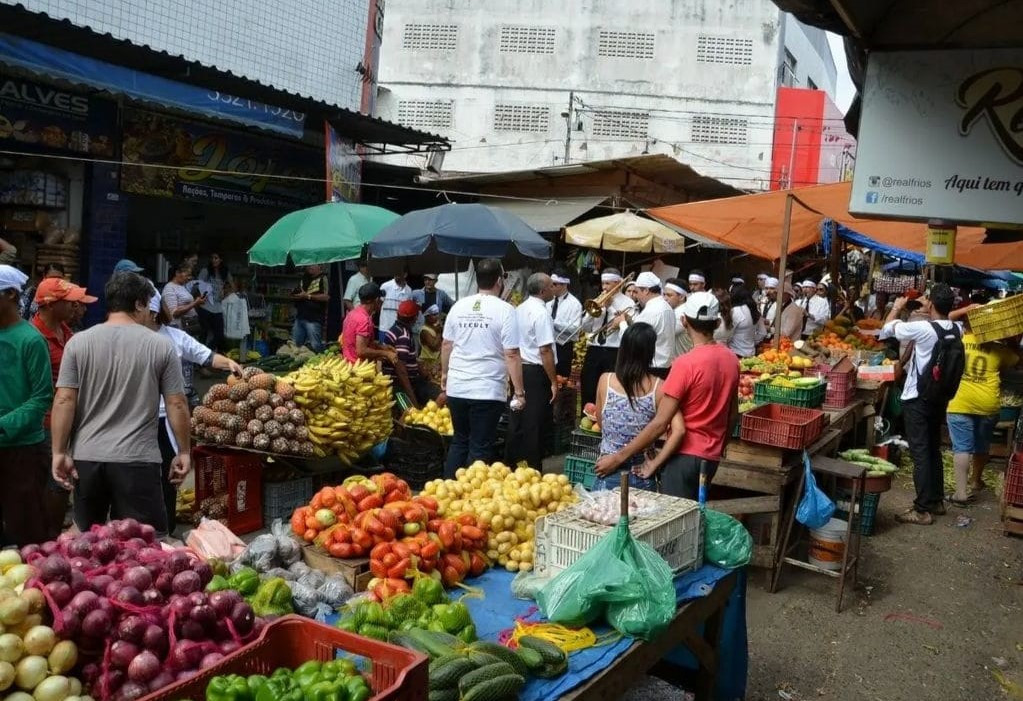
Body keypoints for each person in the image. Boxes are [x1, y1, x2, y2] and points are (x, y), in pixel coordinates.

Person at [51, 272, 191, 535]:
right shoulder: (160, 346)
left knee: (85, 540)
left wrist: (59, 452)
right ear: (139, 303)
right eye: (149, 305)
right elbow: (177, 404)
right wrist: (184, 451)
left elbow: (65, 399)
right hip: (137, 459)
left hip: (87, 458)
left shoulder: (78, 344)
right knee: (143, 543)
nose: (151, 312)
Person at [595, 292, 740, 499]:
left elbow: (661, 423)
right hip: (711, 456)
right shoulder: (732, 359)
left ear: (683, 321)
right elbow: (733, 415)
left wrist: (627, 459)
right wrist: (719, 447)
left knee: (674, 524)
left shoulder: (684, 364)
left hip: (683, 456)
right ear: (717, 323)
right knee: (693, 514)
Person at [145, 293, 241, 535]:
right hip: (136, 417)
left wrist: (229, 363)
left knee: (167, 475)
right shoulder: (128, 338)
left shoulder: (173, 336)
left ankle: (164, 529)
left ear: (151, 311)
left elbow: (205, 356)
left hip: (165, 417)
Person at [880, 284, 960, 525]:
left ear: (932, 304)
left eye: (927, 299)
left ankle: (922, 509)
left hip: (917, 398)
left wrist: (896, 307)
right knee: (933, 448)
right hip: (939, 398)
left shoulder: (923, 330)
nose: (924, 301)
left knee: (920, 452)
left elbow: (886, 329)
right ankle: (936, 501)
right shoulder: (957, 329)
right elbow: (944, 321)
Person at [441, 258, 524, 475]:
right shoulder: (506, 310)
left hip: (457, 387)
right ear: (499, 281)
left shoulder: (459, 306)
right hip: (486, 390)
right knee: (479, 447)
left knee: (459, 442)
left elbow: (447, 344)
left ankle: (447, 491)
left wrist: (444, 374)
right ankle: (468, 500)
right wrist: (520, 392)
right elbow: (512, 354)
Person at [32, 277, 99, 536]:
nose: (77, 307)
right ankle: (46, 537)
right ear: (50, 304)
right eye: (70, 302)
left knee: (62, 484)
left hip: (69, 420)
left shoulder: (67, 332)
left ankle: (53, 536)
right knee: (54, 483)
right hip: (46, 422)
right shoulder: (34, 337)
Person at [592, 323, 686, 491]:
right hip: (641, 474)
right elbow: (679, 431)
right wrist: (656, 462)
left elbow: (601, 421)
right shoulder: (660, 388)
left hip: (606, 470)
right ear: (650, 352)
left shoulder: (604, 381)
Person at [0, 265, 53, 546]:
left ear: (10, 294)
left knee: (26, 529)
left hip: (22, 450)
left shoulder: (30, 340)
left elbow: (41, 396)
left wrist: (4, 425)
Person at [944, 305, 1016, 506]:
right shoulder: (998, 349)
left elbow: (947, 318)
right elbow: (1018, 359)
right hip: (988, 404)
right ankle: (976, 481)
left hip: (959, 401)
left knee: (962, 448)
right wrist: (1010, 338)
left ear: (967, 324)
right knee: (982, 445)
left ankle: (960, 493)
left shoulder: (958, 342)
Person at [505, 273, 558, 470]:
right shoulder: (541, 313)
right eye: (552, 286)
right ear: (543, 291)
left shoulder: (519, 309)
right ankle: (532, 468)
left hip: (518, 368)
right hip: (535, 371)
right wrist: (553, 381)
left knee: (517, 417)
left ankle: (511, 464)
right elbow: (545, 350)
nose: (554, 289)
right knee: (534, 422)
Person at [579, 269, 635, 410]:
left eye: (608, 284)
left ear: (617, 283)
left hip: (614, 350)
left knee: (611, 387)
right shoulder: (598, 300)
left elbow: (629, 328)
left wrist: (610, 308)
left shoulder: (627, 302)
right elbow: (585, 327)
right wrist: (591, 314)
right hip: (595, 348)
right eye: (603, 283)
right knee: (588, 384)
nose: (604, 287)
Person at [382, 300, 435, 406]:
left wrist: (423, 372)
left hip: (407, 381)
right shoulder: (403, 336)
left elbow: (409, 358)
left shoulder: (394, 329)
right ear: (414, 318)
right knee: (410, 415)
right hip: (398, 385)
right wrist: (412, 399)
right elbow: (401, 370)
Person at [626, 271, 676, 378]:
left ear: (646, 291)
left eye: (637, 291)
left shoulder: (651, 310)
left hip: (652, 367)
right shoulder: (666, 306)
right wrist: (630, 321)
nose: (636, 296)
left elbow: (634, 340)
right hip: (665, 366)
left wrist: (621, 323)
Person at [341, 282, 399, 366]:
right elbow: (361, 351)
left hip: (347, 364)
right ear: (376, 300)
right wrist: (386, 353)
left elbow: (359, 341)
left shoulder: (352, 314)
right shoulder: (364, 320)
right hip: (358, 367)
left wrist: (382, 347)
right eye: (380, 299)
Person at [546, 271, 582, 378]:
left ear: (565, 285)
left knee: (561, 378)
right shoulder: (548, 300)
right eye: (551, 284)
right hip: (547, 343)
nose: (552, 287)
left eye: (555, 284)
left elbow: (575, 328)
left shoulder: (574, 304)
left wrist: (553, 323)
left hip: (563, 346)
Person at [196, 252, 231, 351]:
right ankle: (200, 358)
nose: (214, 260)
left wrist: (225, 293)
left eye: (216, 258)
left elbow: (233, 286)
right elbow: (198, 285)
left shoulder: (224, 272)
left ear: (221, 260)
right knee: (204, 333)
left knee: (219, 334)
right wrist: (204, 293)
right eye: (212, 258)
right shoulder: (205, 271)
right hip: (205, 307)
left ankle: (207, 352)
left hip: (218, 308)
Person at [292, 264, 329, 351]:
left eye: (312, 265)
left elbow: (326, 297)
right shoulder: (304, 277)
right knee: (295, 346)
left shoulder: (323, 278)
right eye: (308, 264)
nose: (309, 267)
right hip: (300, 317)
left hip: (314, 319)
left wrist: (307, 296)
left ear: (320, 266)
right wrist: (295, 295)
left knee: (315, 346)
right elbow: (299, 292)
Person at [163, 260, 205, 334]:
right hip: (179, 330)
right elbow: (174, 313)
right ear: (177, 273)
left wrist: (197, 301)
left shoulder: (182, 286)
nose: (189, 278)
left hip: (188, 327)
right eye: (187, 275)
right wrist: (195, 303)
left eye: (190, 275)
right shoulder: (169, 288)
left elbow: (186, 304)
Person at [728, 286, 765, 357]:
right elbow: (763, 332)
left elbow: (728, 335)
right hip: (751, 352)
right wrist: (751, 341)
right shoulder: (754, 310)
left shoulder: (735, 311)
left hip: (735, 352)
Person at [222, 279, 251, 360]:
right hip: (233, 325)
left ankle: (240, 358)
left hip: (232, 325)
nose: (227, 289)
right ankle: (240, 358)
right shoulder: (237, 297)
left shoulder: (238, 297)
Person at [662, 278, 691, 357]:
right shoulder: (675, 311)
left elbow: (662, 335)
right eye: (664, 294)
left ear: (681, 297)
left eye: (669, 295)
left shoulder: (681, 314)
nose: (665, 298)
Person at [380, 271, 413, 340]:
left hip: (400, 331)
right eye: (395, 270)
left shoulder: (409, 291)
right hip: (385, 329)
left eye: (399, 271)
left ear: (405, 274)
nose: (396, 273)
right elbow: (378, 305)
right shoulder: (385, 286)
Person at [418, 305, 443, 386]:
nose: (437, 317)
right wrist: (439, 333)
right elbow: (434, 346)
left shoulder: (435, 328)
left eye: (437, 314)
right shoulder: (425, 331)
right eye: (434, 315)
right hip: (428, 364)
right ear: (427, 316)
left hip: (436, 364)